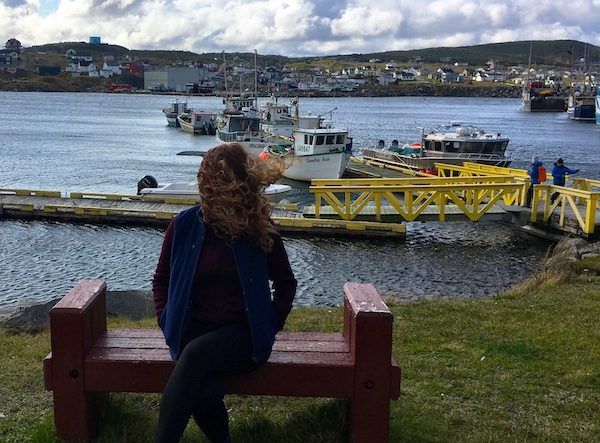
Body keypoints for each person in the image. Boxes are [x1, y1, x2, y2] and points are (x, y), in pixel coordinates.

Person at [152, 143, 297, 443]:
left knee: (193, 357)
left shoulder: (259, 229)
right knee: (204, 392)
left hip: (243, 337)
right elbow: (161, 279)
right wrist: (166, 319)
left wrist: (271, 323)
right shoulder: (183, 225)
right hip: (191, 331)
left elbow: (286, 283)